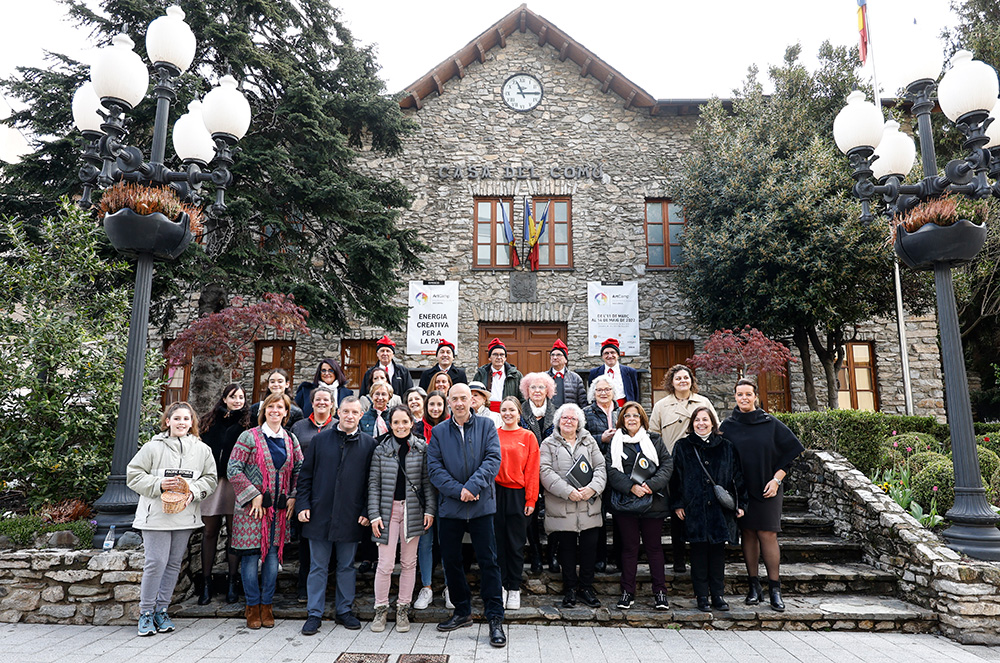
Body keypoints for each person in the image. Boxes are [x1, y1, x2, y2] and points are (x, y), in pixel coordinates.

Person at [426, 383, 506, 648]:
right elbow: (434, 468)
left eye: (464, 398)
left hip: (482, 506)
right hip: (451, 507)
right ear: (448, 402)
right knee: (451, 561)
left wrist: (472, 487)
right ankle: (462, 611)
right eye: (455, 399)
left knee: (488, 562)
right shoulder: (439, 432)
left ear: (472, 400)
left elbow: (493, 460)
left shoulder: (486, 426)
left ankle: (495, 617)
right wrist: (458, 491)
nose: (459, 403)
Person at [127, 402, 217, 637]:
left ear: (192, 422)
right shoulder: (152, 447)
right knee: (156, 562)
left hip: (185, 516)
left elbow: (210, 479)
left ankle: (162, 610)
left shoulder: (202, 450)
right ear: (167, 421)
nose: (181, 423)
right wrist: (159, 484)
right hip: (155, 516)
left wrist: (192, 492)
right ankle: (146, 613)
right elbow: (133, 475)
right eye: (177, 418)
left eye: (186, 419)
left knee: (174, 564)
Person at [720, 378, 804, 612]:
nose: (744, 398)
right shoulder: (728, 426)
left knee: (767, 534)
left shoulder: (771, 423)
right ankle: (754, 587)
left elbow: (790, 455)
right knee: (748, 534)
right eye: (740, 394)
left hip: (769, 487)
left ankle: (775, 589)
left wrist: (777, 480)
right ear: (735, 397)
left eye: (748, 394)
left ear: (755, 396)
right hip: (742, 490)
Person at [297, 396, 377, 636]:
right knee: (318, 566)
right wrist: (303, 504)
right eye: (346, 411)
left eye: (354, 412)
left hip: (350, 515)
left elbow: (371, 483)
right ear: (338, 413)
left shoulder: (369, 445)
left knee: (346, 566)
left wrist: (366, 511)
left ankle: (344, 610)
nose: (350, 416)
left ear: (361, 415)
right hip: (319, 512)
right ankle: (314, 614)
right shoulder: (320, 440)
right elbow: (305, 476)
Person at [227, 393, 303, 630]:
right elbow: (233, 468)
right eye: (270, 406)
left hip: (278, 510)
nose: (275, 410)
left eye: (279, 407)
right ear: (264, 411)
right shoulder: (249, 437)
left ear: (286, 412)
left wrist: (293, 496)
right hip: (252, 510)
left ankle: (267, 604)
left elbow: (300, 469)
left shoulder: (290, 439)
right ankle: (252, 605)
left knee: (272, 557)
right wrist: (253, 494)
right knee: (250, 558)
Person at [367, 405, 436, 633]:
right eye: (396, 422)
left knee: (408, 562)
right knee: (385, 564)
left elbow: (427, 483)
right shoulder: (381, 449)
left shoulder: (421, 448)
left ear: (412, 423)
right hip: (387, 511)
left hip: (412, 510)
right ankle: (380, 609)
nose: (400, 426)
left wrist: (430, 510)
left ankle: (402, 609)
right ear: (390, 424)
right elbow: (373, 485)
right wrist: (374, 515)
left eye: (404, 422)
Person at [671, 406, 747, 612]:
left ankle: (718, 595)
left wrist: (740, 504)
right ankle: (702, 596)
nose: (701, 424)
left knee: (717, 554)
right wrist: (678, 504)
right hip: (694, 509)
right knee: (697, 554)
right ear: (692, 423)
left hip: (719, 512)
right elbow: (675, 478)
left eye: (705, 420)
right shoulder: (682, 446)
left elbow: (737, 477)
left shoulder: (726, 447)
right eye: (697, 420)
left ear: (713, 423)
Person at [649, 364, 718, 573]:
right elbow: (654, 436)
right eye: (678, 378)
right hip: (673, 466)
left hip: (701, 465)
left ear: (691, 380)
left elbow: (716, 429)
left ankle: (701, 557)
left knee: (700, 510)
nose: (682, 381)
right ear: (671, 382)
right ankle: (678, 558)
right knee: (676, 511)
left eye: (685, 378)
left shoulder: (703, 402)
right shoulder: (661, 405)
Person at [605, 401, 672, 611]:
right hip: (626, 504)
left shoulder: (654, 440)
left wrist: (651, 485)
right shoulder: (615, 442)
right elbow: (611, 470)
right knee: (629, 548)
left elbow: (667, 465)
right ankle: (627, 592)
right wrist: (631, 487)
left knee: (654, 548)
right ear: (622, 420)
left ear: (642, 419)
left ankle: (660, 593)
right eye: (627, 416)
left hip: (653, 503)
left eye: (635, 415)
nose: (631, 419)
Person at [539, 403, 606, 610]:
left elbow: (600, 467)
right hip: (562, 506)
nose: (568, 421)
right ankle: (569, 589)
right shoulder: (548, 443)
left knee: (589, 549)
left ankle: (586, 588)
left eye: (573, 418)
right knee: (566, 550)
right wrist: (568, 491)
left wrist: (592, 489)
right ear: (558, 421)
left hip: (588, 505)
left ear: (579, 423)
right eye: (565, 418)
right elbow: (544, 471)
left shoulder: (589, 441)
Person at [197, 383, 249, 605]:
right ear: (224, 399)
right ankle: (206, 582)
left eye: (241, 397)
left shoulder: (248, 423)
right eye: (233, 396)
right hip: (212, 482)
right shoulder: (208, 421)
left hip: (236, 484)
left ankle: (232, 582)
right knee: (209, 531)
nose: (237, 401)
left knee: (234, 533)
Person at [290, 385, 338, 602]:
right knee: (306, 542)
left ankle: (328, 585)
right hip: (306, 490)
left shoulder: (337, 426)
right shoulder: (299, 427)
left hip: (332, 491)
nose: (321, 403)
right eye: (318, 399)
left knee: (333, 541)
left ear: (332, 404)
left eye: (326, 400)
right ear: (311, 402)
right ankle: (303, 586)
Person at [494, 396, 540, 609]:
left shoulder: (528, 436)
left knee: (515, 544)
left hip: (517, 494)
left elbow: (532, 470)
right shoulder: (493, 434)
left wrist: (531, 498)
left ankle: (514, 587)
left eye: (512, 410)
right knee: (498, 543)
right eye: (504, 410)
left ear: (519, 413)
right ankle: (501, 586)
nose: (508, 413)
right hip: (495, 493)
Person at [518, 371, 558, 574]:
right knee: (530, 512)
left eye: (541, 387)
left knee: (553, 511)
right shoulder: (520, 412)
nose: (537, 391)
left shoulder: (556, 412)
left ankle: (552, 554)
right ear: (527, 390)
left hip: (552, 468)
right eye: (532, 387)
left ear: (548, 390)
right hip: (527, 469)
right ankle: (535, 554)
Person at [414, 389, 449, 610]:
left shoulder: (451, 428)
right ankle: (426, 587)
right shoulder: (416, 429)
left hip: (446, 493)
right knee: (425, 542)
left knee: (447, 541)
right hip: (422, 494)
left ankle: (449, 586)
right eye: (431, 404)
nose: (435, 408)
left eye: (439, 404)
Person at [583, 374, 620, 572]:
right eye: (599, 390)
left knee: (620, 515)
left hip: (619, 469)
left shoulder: (622, 412)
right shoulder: (586, 412)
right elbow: (581, 438)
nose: (603, 393)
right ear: (593, 393)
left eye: (607, 389)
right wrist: (601, 439)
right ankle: (600, 558)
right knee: (599, 515)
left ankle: (619, 557)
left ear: (613, 392)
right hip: (596, 469)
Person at [472, 338, 523, 412]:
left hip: (508, 412)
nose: (499, 357)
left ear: (505, 358)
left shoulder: (516, 375)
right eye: (495, 354)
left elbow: (522, 398)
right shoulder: (480, 374)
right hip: (485, 412)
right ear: (489, 358)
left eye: (502, 354)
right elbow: (474, 395)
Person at [587, 338, 639, 405]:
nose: (610, 356)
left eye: (612, 352)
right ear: (602, 356)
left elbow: (635, 393)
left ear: (618, 355)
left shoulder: (630, 372)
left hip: (623, 407)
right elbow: (593, 392)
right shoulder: (594, 373)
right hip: (602, 406)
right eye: (606, 353)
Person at [547, 339, 587, 408]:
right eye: (552, 355)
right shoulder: (543, 377)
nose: (555, 357)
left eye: (558, 355)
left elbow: (582, 402)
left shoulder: (575, 378)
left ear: (565, 360)